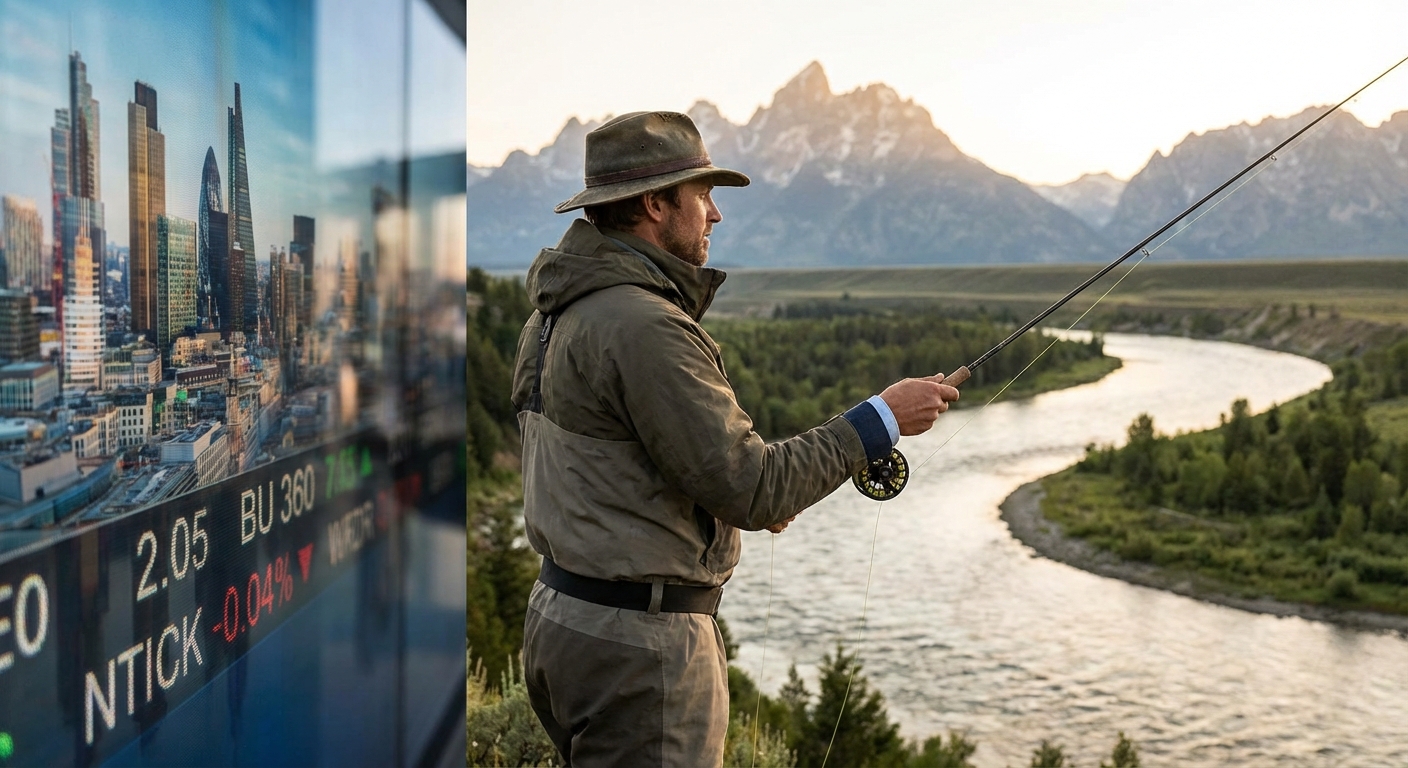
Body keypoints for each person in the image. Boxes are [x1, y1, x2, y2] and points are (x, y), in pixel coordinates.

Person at [511, 110, 960, 767]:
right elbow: (755, 490)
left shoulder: (556, 313)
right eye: (703, 195)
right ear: (655, 205)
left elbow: (601, 463)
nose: (716, 215)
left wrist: (711, 500)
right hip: (641, 648)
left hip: (562, 619)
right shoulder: (645, 326)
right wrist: (881, 418)